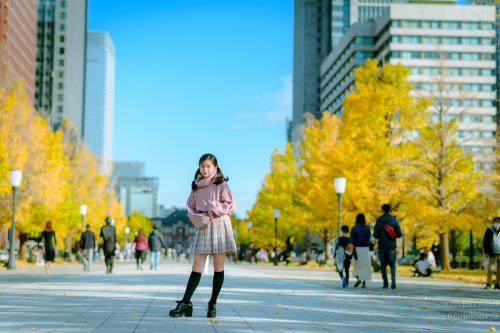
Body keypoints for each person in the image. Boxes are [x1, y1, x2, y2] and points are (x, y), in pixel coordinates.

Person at [169, 153, 236, 319]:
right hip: (204, 225)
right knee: (196, 267)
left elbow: (231, 205)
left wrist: (213, 207)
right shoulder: (196, 186)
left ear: (215, 168)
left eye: (208, 166)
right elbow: (190, 208)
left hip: (220, 224)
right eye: (202, 166)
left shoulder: (222, 184)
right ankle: (186, 303)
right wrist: (202, 218)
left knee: (218, 266)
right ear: (199, 167)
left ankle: (212, 303)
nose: (205, 169)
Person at [373, 204, 402, 289]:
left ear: (382, 210)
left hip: (382, 246)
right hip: (391, 246)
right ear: (390, 210)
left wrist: (381, 236)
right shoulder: (395, 220)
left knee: (383, 264)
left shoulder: (379, 220)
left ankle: (385, 283)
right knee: (392, 264)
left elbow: (375, 234)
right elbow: (399, 234)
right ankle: (393, 277)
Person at [351, 213, 372, 288]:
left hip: (357, 248)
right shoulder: (367, 228)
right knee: (365, 266)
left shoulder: (354, 228)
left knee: (357, 265)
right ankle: (364, 282)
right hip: (365, 248)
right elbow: (369, 238)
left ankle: (358, 278)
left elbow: (352, 240)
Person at [483, 217, 500, 290]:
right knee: (491, 269)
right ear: (493, 223)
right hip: (492, 253)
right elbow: (485, 242)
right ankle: (488, 283)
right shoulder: (489, 231)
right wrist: (486, 252)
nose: (497, 223)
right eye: (496, 222)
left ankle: (497, 284)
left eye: (499, 222)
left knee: (499, 270)